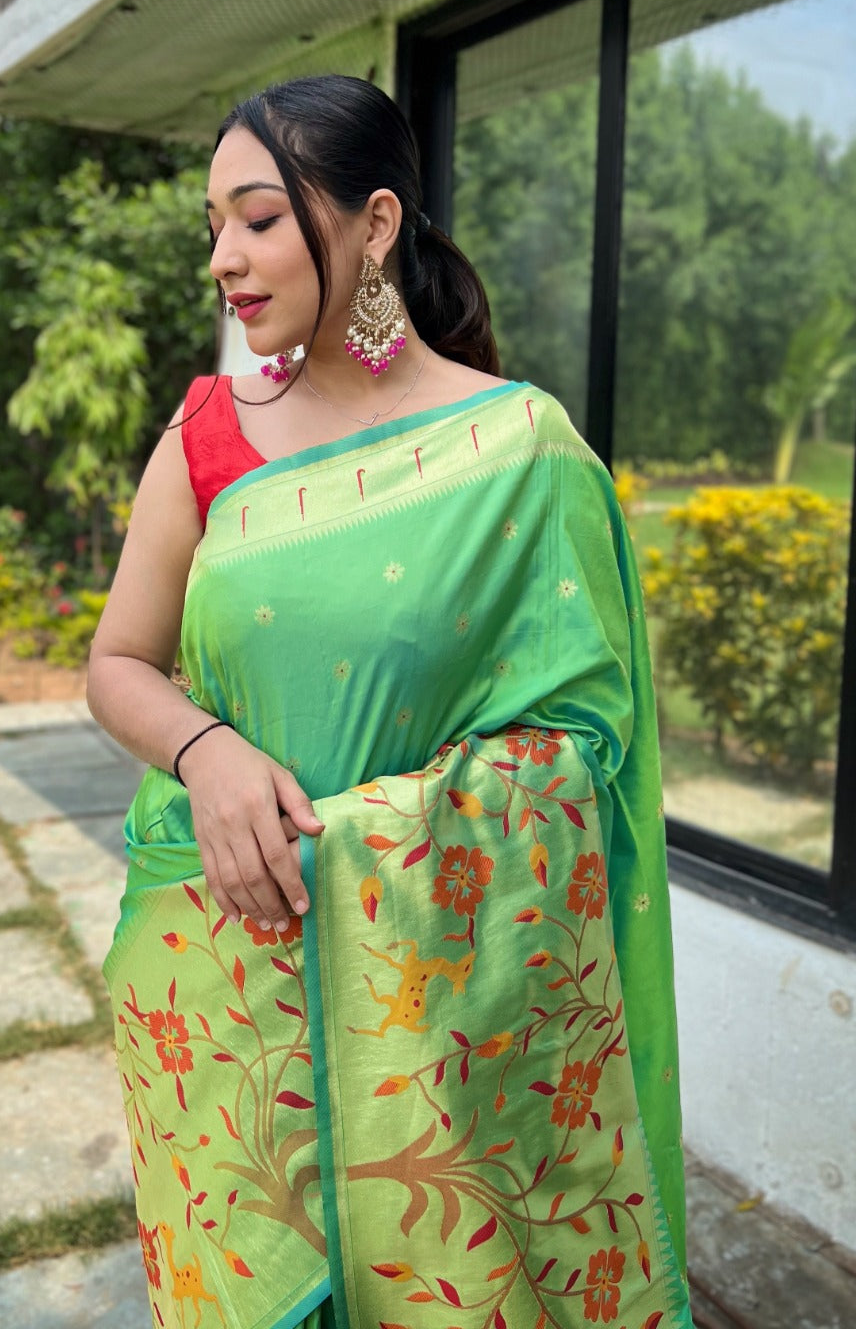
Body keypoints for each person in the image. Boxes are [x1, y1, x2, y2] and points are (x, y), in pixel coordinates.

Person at [87, 74, 691, 1329]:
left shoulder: (519, 449)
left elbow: (582, 745)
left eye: (256, 219)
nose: (224, 259)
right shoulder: (206, 434)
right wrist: (204, 754)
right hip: (226, 993)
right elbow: (117, 664)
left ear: (372, 222)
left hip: (441, 1015)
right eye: (213, 225)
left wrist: (370, 839)